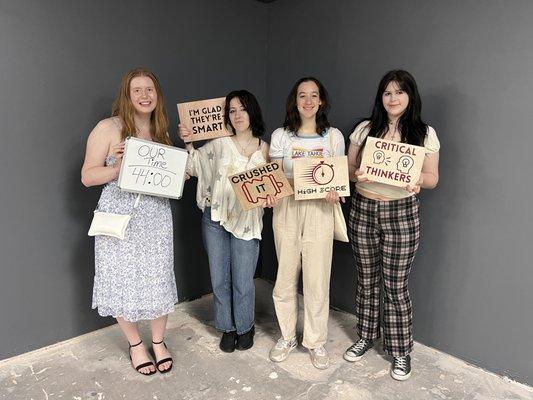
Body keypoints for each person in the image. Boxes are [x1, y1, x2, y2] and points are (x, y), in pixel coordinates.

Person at [343, 70, 440, 380]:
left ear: (410, 96)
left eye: (399, 92)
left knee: (396, 287)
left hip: (402, 213)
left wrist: (416, 180)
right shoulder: (365, 129)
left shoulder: (425, 133)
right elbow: (348, 169)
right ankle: (366, 336)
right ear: (380, 98)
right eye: (387, 93)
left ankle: (400, 351)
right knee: (366, 279)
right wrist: (359, 175)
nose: (393, 98)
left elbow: (433, 178)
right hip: (364, 209)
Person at [81, 68, 177, 375]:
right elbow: (87, 176)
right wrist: (117, 168)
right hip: (120, 218)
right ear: (127, 94)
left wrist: (179, 173)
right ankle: (136, 345)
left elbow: (163, 177)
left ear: (157, 95)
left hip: (157, 218)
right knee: (120, 282)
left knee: (159, 279)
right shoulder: (109, 128)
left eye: (150, 89)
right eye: (137, 90)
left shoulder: (161, 130)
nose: (145, 95)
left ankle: (159, 342)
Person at [179, 90, 269, 353]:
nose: (237, 115)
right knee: (219, 278)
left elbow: (273, 184)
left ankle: (245, 326)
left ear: (253, 111)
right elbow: (195, 167)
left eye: (242, 109)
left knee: (243, 280)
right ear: (226, 115)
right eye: (232, 110)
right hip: (215, 217)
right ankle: (227, 328)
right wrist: (188, 144)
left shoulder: (265, 148)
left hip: (247, 220)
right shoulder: (219, 143)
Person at [267, 77, 345, 370]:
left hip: (319, 210)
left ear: (321, 101)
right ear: (295, 101)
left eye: (314, 95)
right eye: (302, 95)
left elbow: (337, 174)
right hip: (287, 209)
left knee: (316, 279)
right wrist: (277, 189)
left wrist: (336, 188)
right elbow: (273, 176)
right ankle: (287, 336)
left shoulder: (333, 136)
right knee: (285, 277)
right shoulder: (281, 136)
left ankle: (316, 341)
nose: (308, 101)